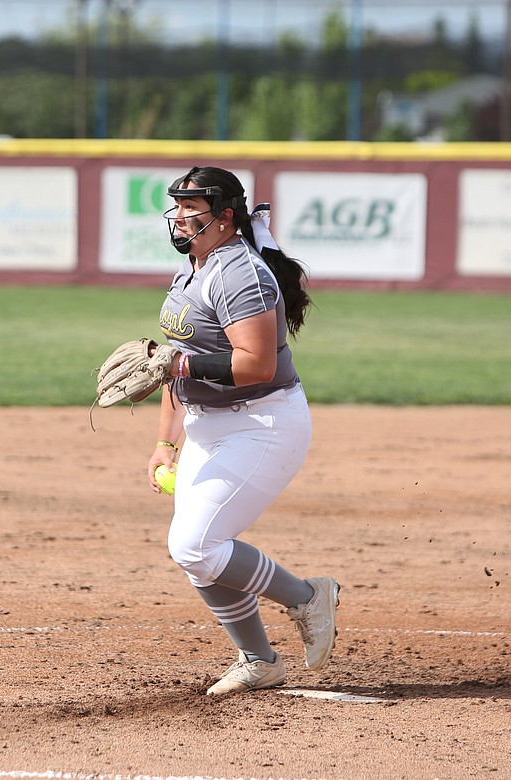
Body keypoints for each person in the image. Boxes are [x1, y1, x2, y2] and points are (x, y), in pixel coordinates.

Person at [145, 165, 339, 697]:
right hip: (210, 425)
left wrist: (177, 368)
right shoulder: (194, 266)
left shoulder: (240, 273)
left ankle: (307, 597)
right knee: (200, 552)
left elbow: (254, 365)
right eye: (177, 206)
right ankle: (259, 661)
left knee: (195, 545)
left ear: (226, 217)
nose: (180, 217)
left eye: (193, 208)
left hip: (262, 423)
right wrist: (166, 441)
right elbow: (174, 359)